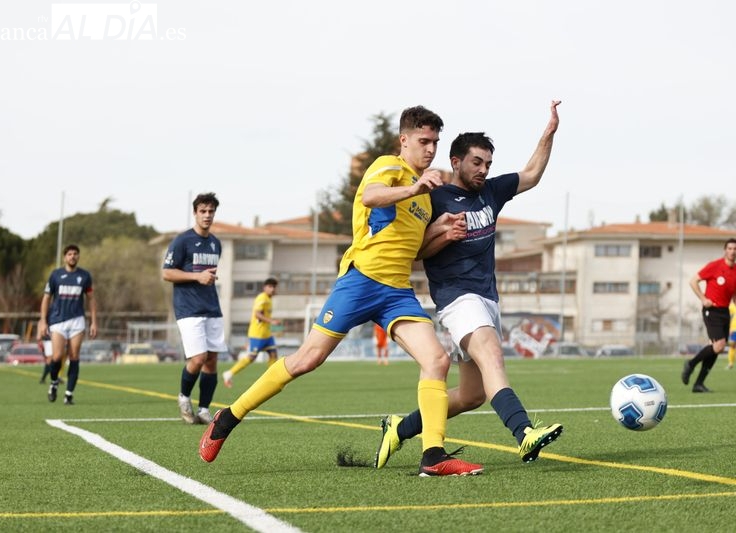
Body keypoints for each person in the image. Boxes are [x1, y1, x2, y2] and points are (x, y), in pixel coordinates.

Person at [200, 105, 485, 476]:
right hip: (361, 281)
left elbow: (413, 251)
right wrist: (414, 185)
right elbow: (371, 197)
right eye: (423, 141)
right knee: (306, 360)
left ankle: (433, 456)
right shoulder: (389, 167)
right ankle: (228, 417)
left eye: (435, 142)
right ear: (404, 140)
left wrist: (442, 229)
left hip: (397, 291)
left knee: (437, 361)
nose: (430, 149)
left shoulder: (425, 198)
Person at [375, 100, 563, 470]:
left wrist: (549, 133)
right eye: (477, 162)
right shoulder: (434, 196)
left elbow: (532, 174)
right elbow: (417, 251)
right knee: (493, 356)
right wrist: (444, 234)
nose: (483, 170)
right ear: (456, 161)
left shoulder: (492, 192)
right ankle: (524, 432)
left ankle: (400, 427)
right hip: (458, 299)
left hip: (487, 299)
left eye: (488, 164)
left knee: (472, 395)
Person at [162, 193, 228, 424]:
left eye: (211, 211)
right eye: (203, 211)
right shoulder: (182, 241)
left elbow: (208, 275)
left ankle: (203, 409)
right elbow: (167, 272)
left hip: (212, 307)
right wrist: (196, 276)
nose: (207, 215)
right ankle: (183, 397)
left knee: (211, 361)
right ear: (195, 213)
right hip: (188, 308)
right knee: (198, 358)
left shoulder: (215, 243)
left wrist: (205, 278)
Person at [37, 244, 97, 405]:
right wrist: (43, 321)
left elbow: (91, 299)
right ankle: (54, 382)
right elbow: (46, 298)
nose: (73, 257)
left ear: (78, 257)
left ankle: (69, 394)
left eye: (75, 254)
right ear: (65, 257)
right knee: (56, 357)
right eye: (70, 254)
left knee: (74, 356)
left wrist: (94, 322)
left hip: (77, 320)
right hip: (58, 320)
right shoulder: (56, 275)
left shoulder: (84, 276)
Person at [682, 238, 736, 392]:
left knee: (716, 348)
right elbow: (693, 281)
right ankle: (690, 364)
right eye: (730, 248)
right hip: (711, 310)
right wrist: (703, 298)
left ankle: (698, 384)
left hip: (725, 311)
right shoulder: (715, 266)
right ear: (725, 250)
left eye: (735, 249)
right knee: (719, 345)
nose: (733, 252)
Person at [223, 278, 281, 388]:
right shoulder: (262, 298)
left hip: (267, 334)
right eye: (270, 286)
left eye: (274, 287)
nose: (273, 289)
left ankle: (272, 380)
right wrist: (272, 321)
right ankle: (229, 373)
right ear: (265, 287)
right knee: (251, 357)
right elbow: (257, 314)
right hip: (257, 335)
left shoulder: (269, 299)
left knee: (273, 354)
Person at [727, 302, 736, 370]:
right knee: (732, 346)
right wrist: (729, 328)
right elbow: (727, 317)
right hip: (734, 330)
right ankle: (730, 363)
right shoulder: (732, 306)